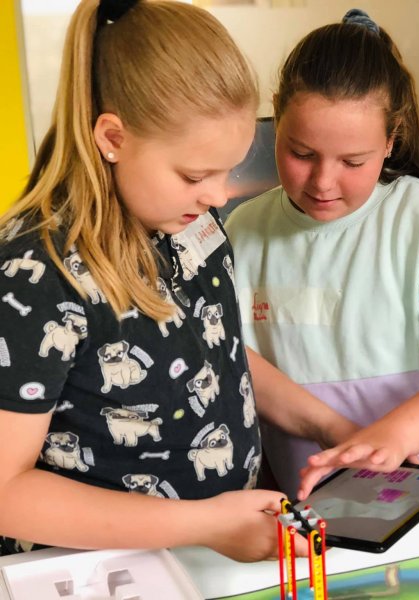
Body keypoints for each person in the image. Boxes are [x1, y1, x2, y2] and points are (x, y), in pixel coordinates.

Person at [0, 0, 353, 561]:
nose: (219, 195)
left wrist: (333, 427)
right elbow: (6, 491)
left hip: (209, 552)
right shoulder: (35, 274)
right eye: (195, 174)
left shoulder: (188, 219)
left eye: (228, 170)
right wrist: (207, 524)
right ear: (113, 138)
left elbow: (213, 352)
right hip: (102, 572)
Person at [226, 9, 419, 500]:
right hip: (318, 510)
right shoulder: (243, 232)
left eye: (353, 161)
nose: (323, 182)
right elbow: (233, 363)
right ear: (277, 120)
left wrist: (395, 436)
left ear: (390, 141)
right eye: (301, 154)